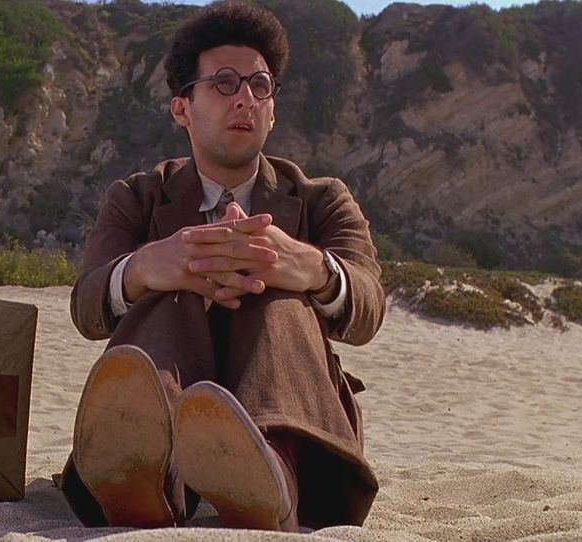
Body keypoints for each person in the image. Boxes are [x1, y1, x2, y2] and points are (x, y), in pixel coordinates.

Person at [59, 1, 385, 532]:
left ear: (273, 111)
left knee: (277, 297)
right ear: (182, 108)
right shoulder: (137, 198)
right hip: (171, 396)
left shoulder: (323, 198)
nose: (245, 99)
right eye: (224, 83)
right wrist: (145, 267)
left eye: (260, 86)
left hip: (300, 425)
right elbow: (86, 306)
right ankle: (141, 475)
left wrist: (309, 268)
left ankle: (271, 472)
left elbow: (370, 307)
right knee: (167, 296)